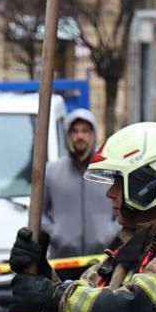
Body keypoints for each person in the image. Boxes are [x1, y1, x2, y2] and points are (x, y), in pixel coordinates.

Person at [9, 121, 156, 312]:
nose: (109, 192)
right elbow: (89, 298)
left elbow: (134, 309)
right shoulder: (130, 249)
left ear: (148, 183)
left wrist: (54, 296)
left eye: (118, 182)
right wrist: (42, 274)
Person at [41, 108, 112, 261]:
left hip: (103, 260)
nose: (80, 136)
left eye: (85, 131)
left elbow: (123, 211)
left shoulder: (109, 171)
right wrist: (57, 235)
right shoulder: (51, 172)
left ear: (93, 135)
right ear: (68, 135)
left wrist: (110, 233)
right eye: (75, 131)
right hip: (62, 260)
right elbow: (40, 213)